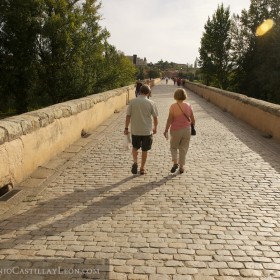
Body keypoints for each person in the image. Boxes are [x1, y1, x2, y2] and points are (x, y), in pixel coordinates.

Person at [124, 85, 158, 175]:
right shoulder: (151, 103)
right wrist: (155, 127)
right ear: (148, 92)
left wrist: (126, 128)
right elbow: (155, 117)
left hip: (135, 130)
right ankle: (142, 168)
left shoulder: (133, 102)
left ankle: (135, 162)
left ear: (140, 91)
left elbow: (128, 116)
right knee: (145, 150)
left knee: (135, 147)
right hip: (147, 131)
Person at [163, 88, 195, 174]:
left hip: (176, 129)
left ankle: (175, 163)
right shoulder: (188, 105)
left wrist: (166, 129)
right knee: (183, 148)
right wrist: (192, 127)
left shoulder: (173, 106)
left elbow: (169, 119)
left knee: (173, 147)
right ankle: (181, 167)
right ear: (184, 96)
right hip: (186, 129)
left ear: (175, 96)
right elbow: (192, 119)